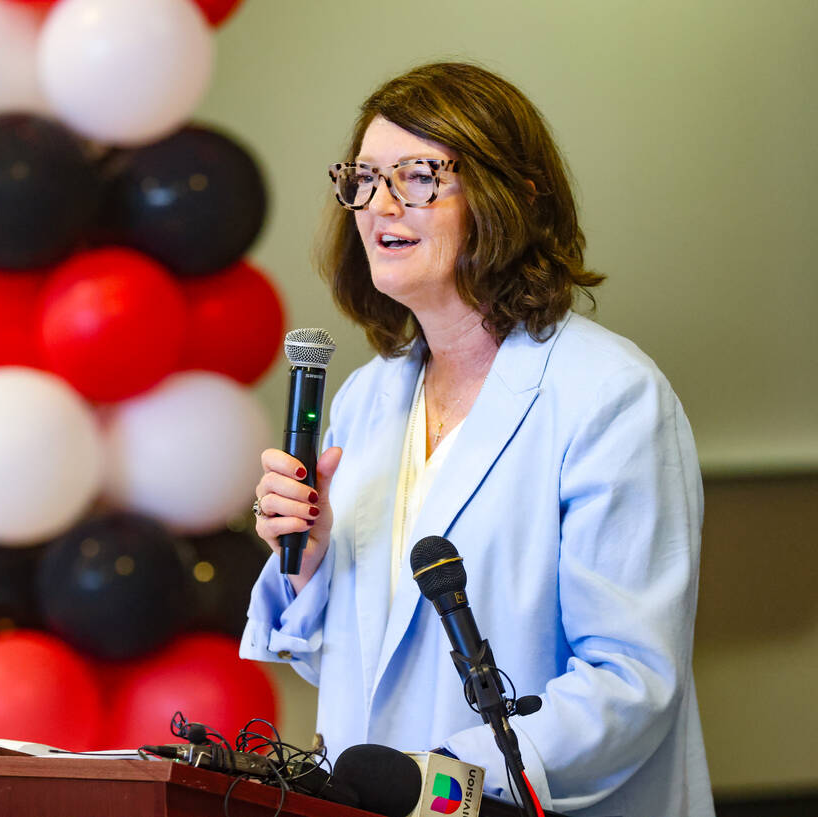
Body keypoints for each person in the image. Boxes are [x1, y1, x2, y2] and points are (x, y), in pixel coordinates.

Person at [240, 62, 713, 817]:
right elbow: (372, 666)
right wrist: (310, 564)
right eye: (363, 177)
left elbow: (630, 679)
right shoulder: (367, 397)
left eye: (419, 176)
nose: (379, 204)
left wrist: (445, 778)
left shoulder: (609, 395)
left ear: (513, 199)